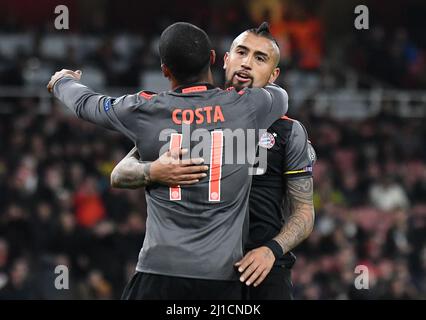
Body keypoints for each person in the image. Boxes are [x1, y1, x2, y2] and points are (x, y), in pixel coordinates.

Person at [47, 22, 288, 299]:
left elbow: (86, 104)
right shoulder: (251, 107)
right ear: (213, 58)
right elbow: (280, 96)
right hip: (220, 278)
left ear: (164, 70)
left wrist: (62, 81)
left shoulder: (143, 109)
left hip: (158, 273)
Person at [111, 23, 316, 300]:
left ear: (274, 74)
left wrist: (273, 249)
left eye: (260, 58)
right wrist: (152, 170)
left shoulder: (289, 132)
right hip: (200, 270)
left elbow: (303, 213)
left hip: (264, 269)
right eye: (241, 52)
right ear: (225, 59)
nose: (247, 63)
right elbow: (121, 172)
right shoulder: (189, 115)